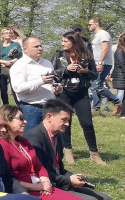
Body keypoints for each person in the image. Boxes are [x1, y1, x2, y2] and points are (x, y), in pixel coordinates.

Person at [24, 100, 113, 200]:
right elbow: (41, 174)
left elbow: (58, 167)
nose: (67, 124)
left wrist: (72, 177)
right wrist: (68, 180)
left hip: (57, 181)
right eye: (64, 120)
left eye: (68, 120)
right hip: (45, 186)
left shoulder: (56, 136)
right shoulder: (34, 139)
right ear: (49, 117)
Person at [51, 30, 105, 165]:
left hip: (81, 93)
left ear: (73, 42)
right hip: (63, 92)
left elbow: (95, 75)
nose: (62, 43)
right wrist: (66, 69)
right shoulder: (58, 55)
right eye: (62, 41)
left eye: (65, 41)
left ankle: (94, 154)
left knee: (87, 123)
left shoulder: (86, 56)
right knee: (65, 123)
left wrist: (86, 72)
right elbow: (52, 73)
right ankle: (68, 151)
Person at [9, 36, 58, 130]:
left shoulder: (47, 63)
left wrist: (58, 88)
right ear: (25, 49)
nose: (40, 48)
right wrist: (41, 81)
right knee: (33, 141)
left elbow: (53, 82)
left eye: (40, 46)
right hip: (32, 109)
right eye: (36, 46)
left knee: (54, 140)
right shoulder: (19, 66)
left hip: (51, 108)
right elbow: (18, 88)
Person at [87, 17, 121, 113]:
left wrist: (100, 63)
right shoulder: (96, 35)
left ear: (96, 24)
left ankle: (117, 102)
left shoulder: (103, 34)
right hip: (97, 64)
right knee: (94, 85)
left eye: (90, 24)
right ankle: (96, 108)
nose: (88, 26)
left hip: (103, 64)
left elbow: (105, 49)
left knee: (97, 85)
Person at [0, 28, 22, 106]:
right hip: (2, 70)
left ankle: (19, 105)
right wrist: (5, 62)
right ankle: (6, 106)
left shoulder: (16, 45)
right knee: (3, 89)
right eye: (6, 33)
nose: (8, 34)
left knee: (15, 89)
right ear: (2, 35)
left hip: (14, 69)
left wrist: (10, 62)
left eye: (10, 33)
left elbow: (20, 56)